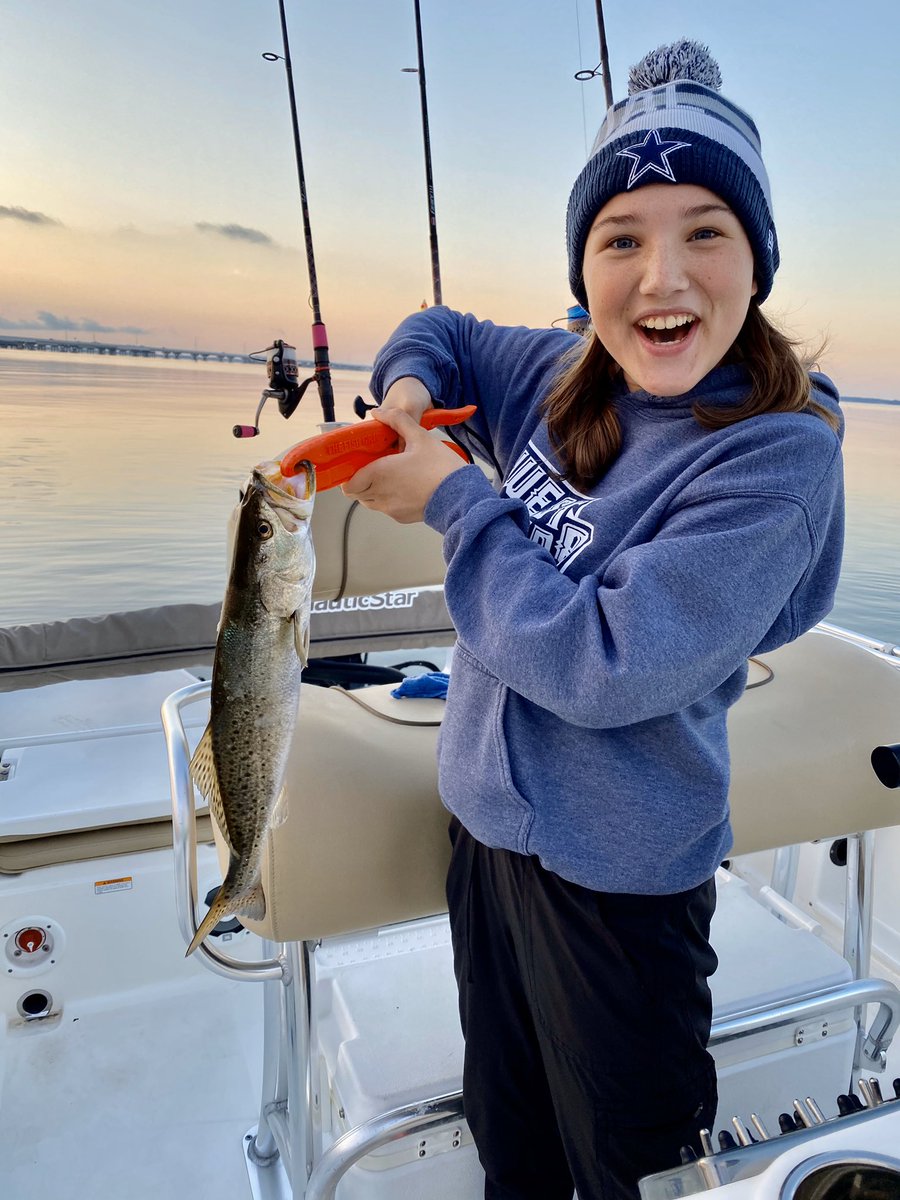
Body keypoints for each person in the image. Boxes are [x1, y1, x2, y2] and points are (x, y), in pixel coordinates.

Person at [342, 39, 844, 1200]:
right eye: (622, 238)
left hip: (623, 886)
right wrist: (410, 394)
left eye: (705, 232)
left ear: (758, 263)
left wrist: (457, 502)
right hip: (483, 834)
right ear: (584, 264)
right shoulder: (559, 374)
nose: (662, 278)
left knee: (634, 1168)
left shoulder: (775, 455)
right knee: (509, 1134)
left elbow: (609, 666)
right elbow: (441, 328)